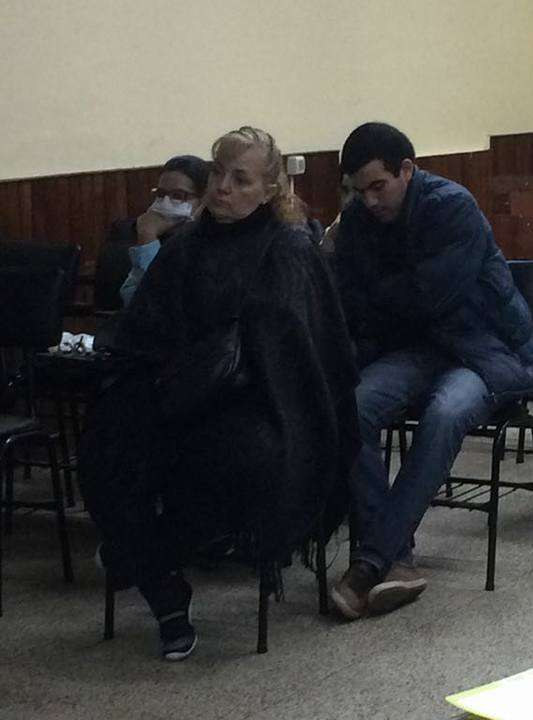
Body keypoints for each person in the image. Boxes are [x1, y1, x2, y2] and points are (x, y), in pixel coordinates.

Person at [79, 126, 359, 661]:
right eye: (218, 174)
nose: (224, 188)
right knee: (105, 441)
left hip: (263, 399)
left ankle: (146, 557)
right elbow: (145, 328)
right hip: (178, 390)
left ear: (270, 189)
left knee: (233, 457)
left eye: (241, 179)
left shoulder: (288, 248)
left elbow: (299, 355)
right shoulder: (187, 245)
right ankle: (165, 592)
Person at [330, 122, 533, 620]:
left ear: (407, 170)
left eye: (378, 186)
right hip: (419, 346)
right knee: (354, 406)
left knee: (445, 413)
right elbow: (351, 298)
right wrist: (383, 297)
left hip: (488, 349)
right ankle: (398, 561)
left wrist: (378, 294)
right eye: (359, 190)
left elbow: (431, 296)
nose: (369, 201)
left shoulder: (452, 206)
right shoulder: (359, 218)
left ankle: (369, 562)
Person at [109, 155, 209, 306]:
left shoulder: (209, 245)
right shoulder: (159, 238)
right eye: (161, 194)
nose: (166, 202)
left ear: (204, 201)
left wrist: (148, 237)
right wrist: (148, 238)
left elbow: (162, 299)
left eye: (178, 196)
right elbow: (132, 298)